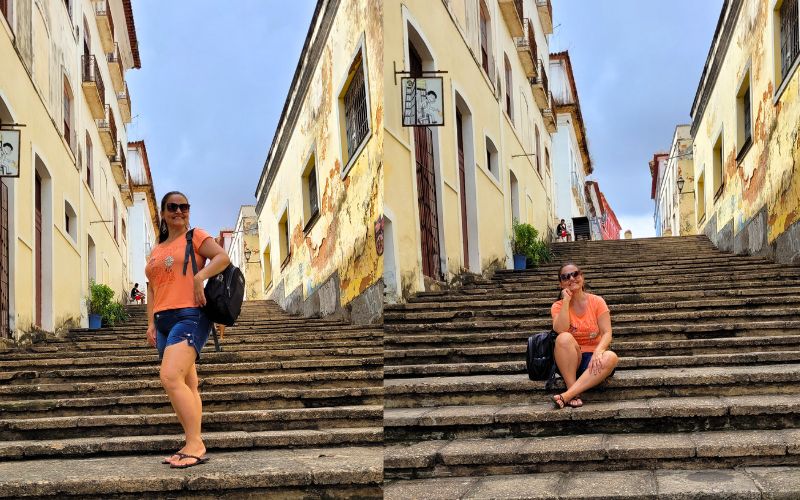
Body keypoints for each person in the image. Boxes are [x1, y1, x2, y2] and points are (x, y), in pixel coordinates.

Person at [145, 191, 230, 468]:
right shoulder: (156, 250)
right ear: (164, 212)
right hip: (163, 321)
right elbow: (151, 287)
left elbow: (222, 258)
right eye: (173, 206)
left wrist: (199, 276)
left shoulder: (195, 237)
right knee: (188, 384)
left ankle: (195, 443)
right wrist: (150, 323)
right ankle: (191, 438)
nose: (179, 211)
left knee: (170, 376)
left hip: (190, 315)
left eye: (184, 206)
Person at [550, 262, 618, 409]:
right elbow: (560, 329)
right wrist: (566, 302)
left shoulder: (597, 301)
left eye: (575, 274)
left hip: (594, 362)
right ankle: (572, 390)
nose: (572, 279)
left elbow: (607, 332)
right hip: (570, 361)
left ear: (582, 277)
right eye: (566, 277)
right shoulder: (558, 306)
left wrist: (598, 352)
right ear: (561, 284)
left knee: (611, 356)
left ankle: (568, 394)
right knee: (563, 337)